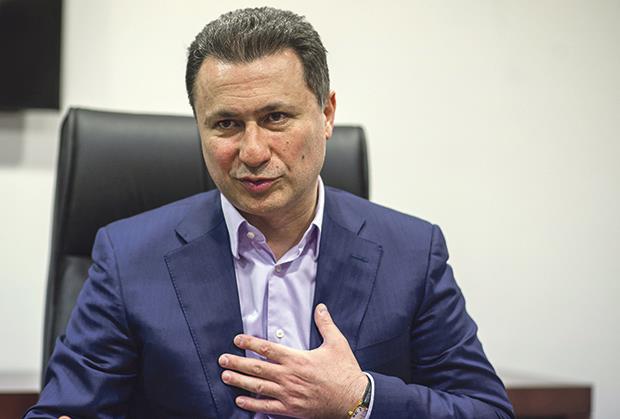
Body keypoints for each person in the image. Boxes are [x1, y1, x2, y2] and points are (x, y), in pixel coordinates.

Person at [26, 7, 514, 419]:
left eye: (276, 117)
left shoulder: (411, 253)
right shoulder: (129, 257)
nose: (253, 151)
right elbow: (65, 409)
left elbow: (486, 410)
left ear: (326, 114)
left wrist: (359, 398)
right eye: (226, 124)